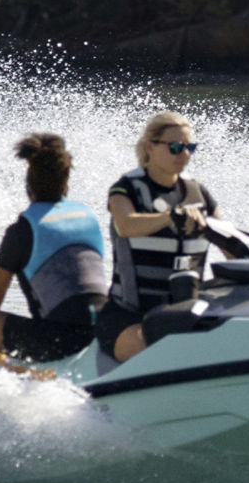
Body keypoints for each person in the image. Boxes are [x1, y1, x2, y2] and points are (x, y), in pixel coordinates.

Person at [0, 133, 108, 364]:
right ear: (66, 183)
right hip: (104, 329)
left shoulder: (23, 230)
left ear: (28, 185)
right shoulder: (88, 217)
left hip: (59, 342)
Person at [100, 110, 239, 362]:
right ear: (149, 147)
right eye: (175, 147)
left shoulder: (199, 193)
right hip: (129, 316)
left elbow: (232, 244)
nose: (184, 154)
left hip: (184, 312)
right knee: (158, 354)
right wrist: (171, 216)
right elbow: (127, 225)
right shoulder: (126, 189)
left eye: (190, 147)